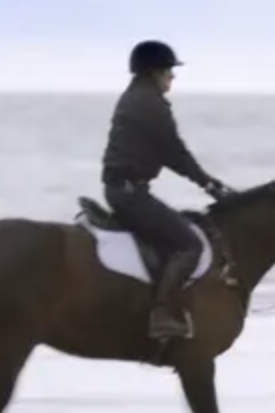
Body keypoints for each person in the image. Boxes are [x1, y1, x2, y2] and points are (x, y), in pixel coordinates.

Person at [100, 39, 236, 340]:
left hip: (124, 189)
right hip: (130, 194)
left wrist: (206, 181)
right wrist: (208, 183)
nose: (172, 77)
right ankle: (163, 314)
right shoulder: (150, 104)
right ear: (153, 73)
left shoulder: (136, 98)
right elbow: (174, 152)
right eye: (168, 71)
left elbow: (168, 153)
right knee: (190, 245)